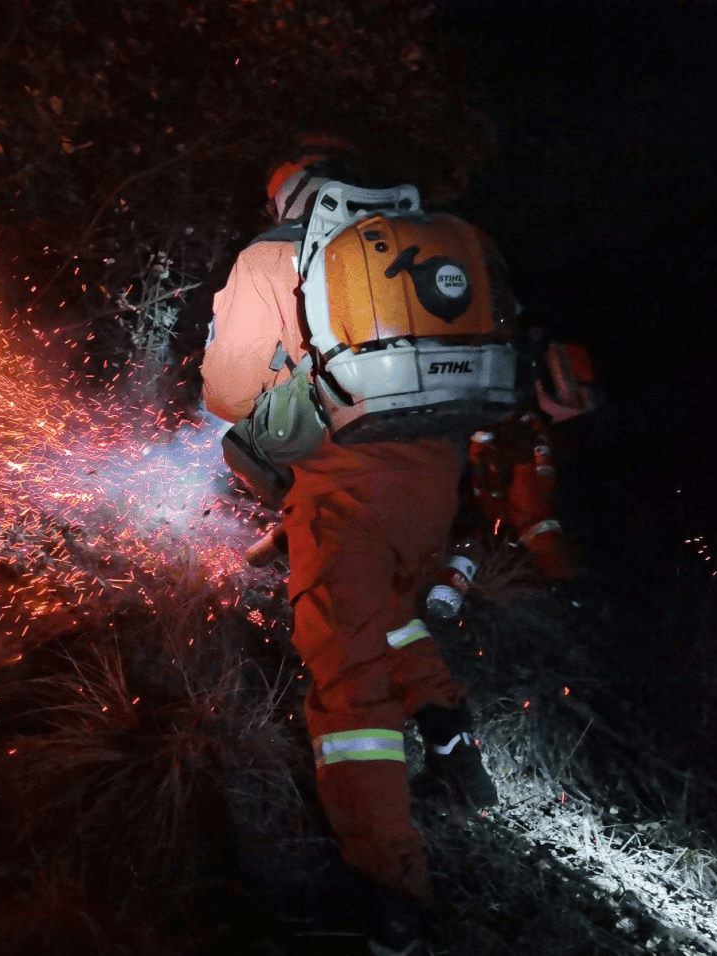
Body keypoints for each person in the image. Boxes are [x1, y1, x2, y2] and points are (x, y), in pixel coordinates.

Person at [200, 144, 502, 915]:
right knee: (395, 613)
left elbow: (229, 393)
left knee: (349, 692)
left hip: (343, 490)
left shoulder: (273, 255)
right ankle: (448, 737)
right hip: (434, 480)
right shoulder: (432, 239)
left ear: (289, 197)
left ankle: (391, 889)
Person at [466, 328, 600, 582]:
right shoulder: (527, 429)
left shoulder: (530, 431)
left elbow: (532, 514)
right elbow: (532, 514)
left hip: (465, 524)